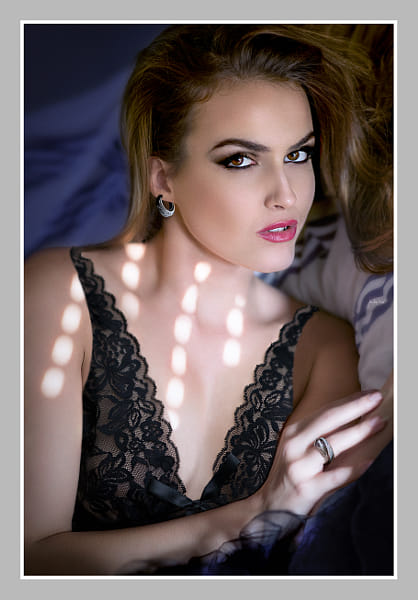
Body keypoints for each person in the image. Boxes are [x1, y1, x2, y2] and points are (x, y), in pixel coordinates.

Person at [24, 24, 391, 576]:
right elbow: (29, 561)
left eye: (299, 154)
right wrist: (252, 511)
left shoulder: (327, 347)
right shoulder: (60, 292)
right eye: (241, 160)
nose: (286, 194)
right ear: (163, 178)